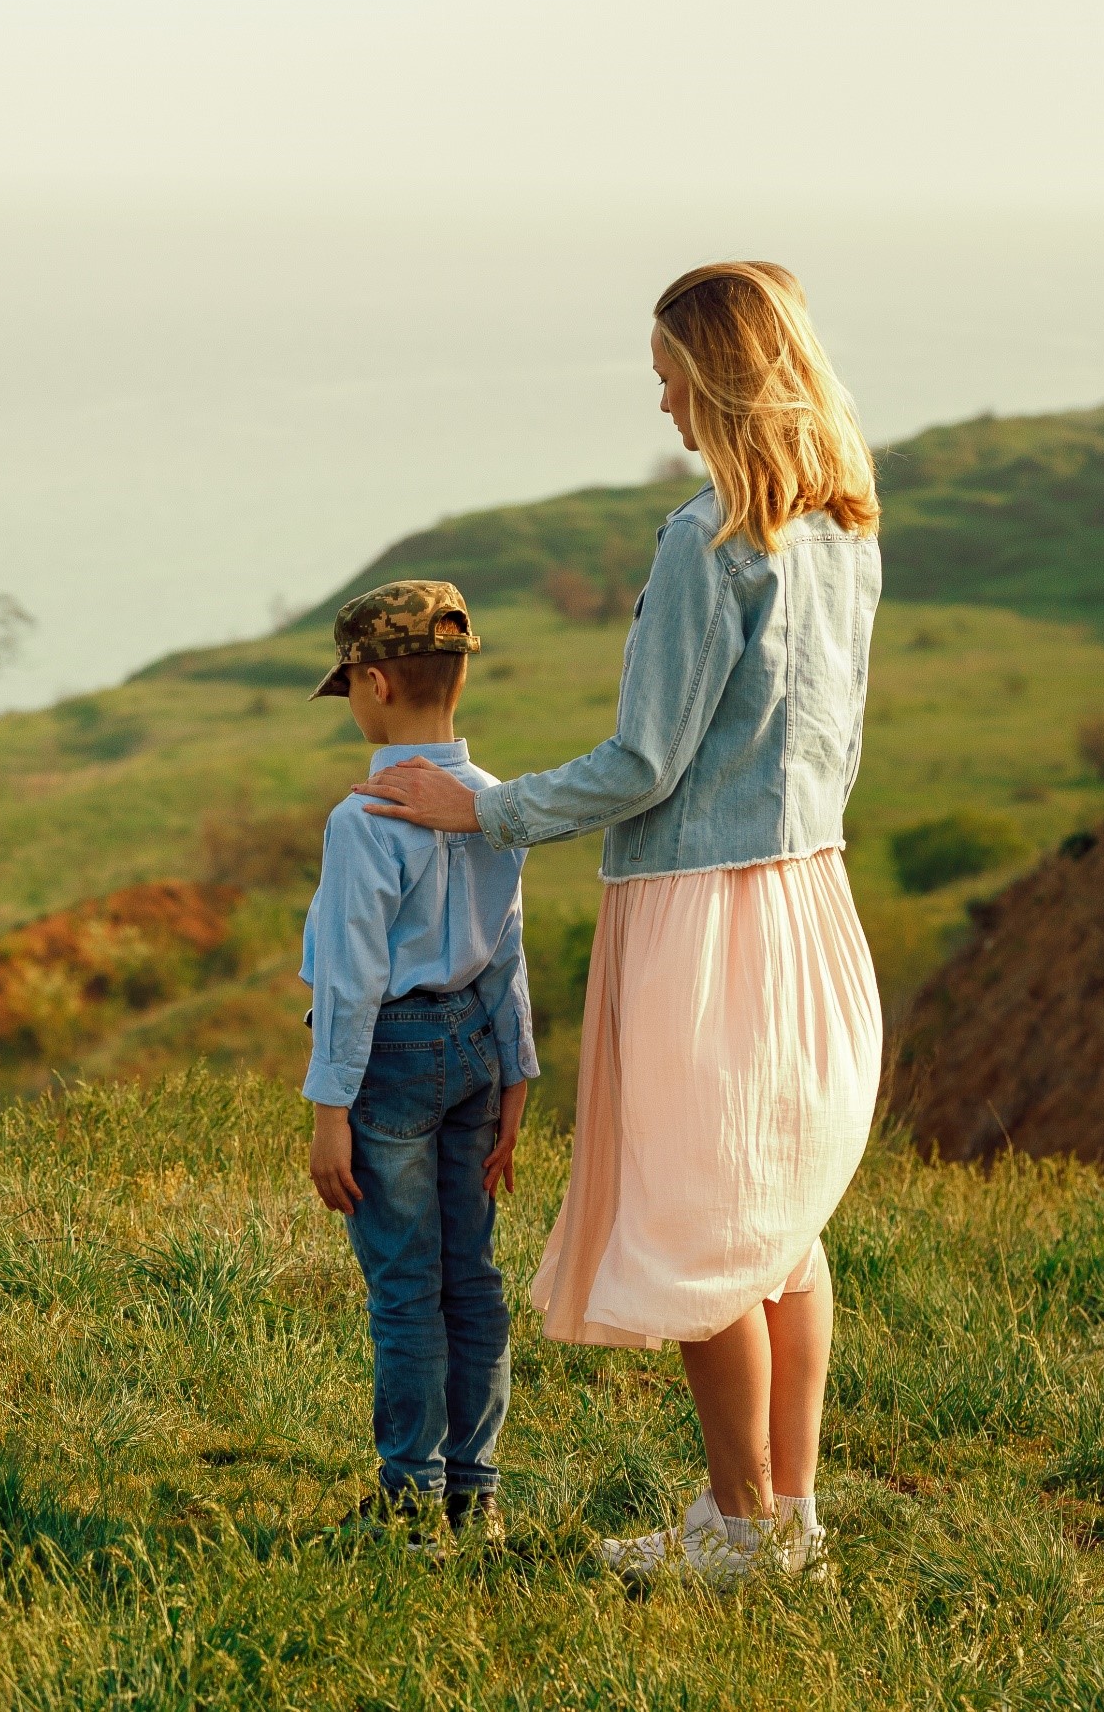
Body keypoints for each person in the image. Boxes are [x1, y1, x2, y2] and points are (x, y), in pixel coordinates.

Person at [354, 261, 882, 1581]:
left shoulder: (709, 544)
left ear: (716, 374)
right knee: (776, 1230)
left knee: (708, 1224)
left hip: (702, 916)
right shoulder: (842, 535)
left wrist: (479, 808)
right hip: (810, 895)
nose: (657, 396)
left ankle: (744, 1526)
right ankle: (783, 1519)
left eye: (667, 369)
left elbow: (643, 762)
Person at [300, 580, 537, 1548]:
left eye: (348, 682)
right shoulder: (492, 803)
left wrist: (327, 1108)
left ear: (376, 681)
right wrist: (517, 1072)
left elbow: (354, 977)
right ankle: (470, 1489)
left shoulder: (362, 820)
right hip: (479, 1044)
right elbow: (509, 944)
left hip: (391, 1060)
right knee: (468, 1275)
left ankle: (406, 1497)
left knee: (403, 1282)